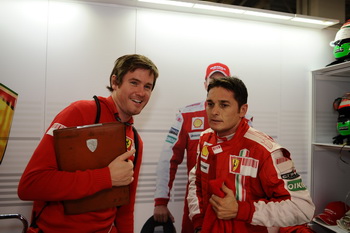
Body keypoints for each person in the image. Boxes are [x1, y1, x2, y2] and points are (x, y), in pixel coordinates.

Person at [17, 54, 159, 233]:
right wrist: (106, 177)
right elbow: (31, 185)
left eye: (148, 86)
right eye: (134, 82)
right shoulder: (79, 113)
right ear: (115, 82)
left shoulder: (135, 140)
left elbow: (125, 209)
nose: (141, 92)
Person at [187, 76, 315, 233]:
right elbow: (196, 181)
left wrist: (242, 210)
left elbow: (302, 208)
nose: (214, 112)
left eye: (224, 105)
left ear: (242, 110)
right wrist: (199, 221)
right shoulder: (205, 139)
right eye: (210, 104)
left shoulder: (265, 150)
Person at [153, 63, 231, 233]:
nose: (217, 86)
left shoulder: (242, 116)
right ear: (205, 85)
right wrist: (161, 201)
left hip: (231, 202)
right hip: (196, 202)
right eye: (213, 81)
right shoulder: (187, 115)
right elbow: (168, 159)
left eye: (223, 81)